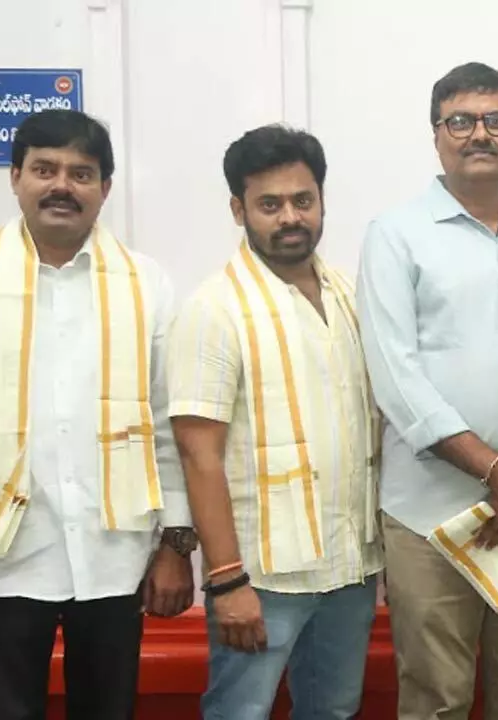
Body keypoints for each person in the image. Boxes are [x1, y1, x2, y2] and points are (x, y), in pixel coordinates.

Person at [356, 62, 498, 720]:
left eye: (497, 121)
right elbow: (395, 374)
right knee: (437, 700)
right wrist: (496, 472)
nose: (480, 134)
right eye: (460, 121)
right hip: (431, 515)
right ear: (436, 134)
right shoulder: (395, 235)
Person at [0, 109, 196, 720]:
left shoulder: (146, 284)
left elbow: (168, 423)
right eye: (44, 169)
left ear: (105, 188)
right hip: (1, 554)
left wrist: (176, 543)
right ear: (15, 177)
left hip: (114, 552)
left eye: (81, 173)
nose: (62, 185)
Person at [168, 124, 383, 719]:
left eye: (302, 200)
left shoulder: (347, 295)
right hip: (261, 579)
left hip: (350, 568)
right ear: (239, 210)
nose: (290, 217)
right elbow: (198, 454)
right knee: (239, 713)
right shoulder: (215, 309)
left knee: (333, 712)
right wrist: (226, 580)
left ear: (321, 201)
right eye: (270, 204)